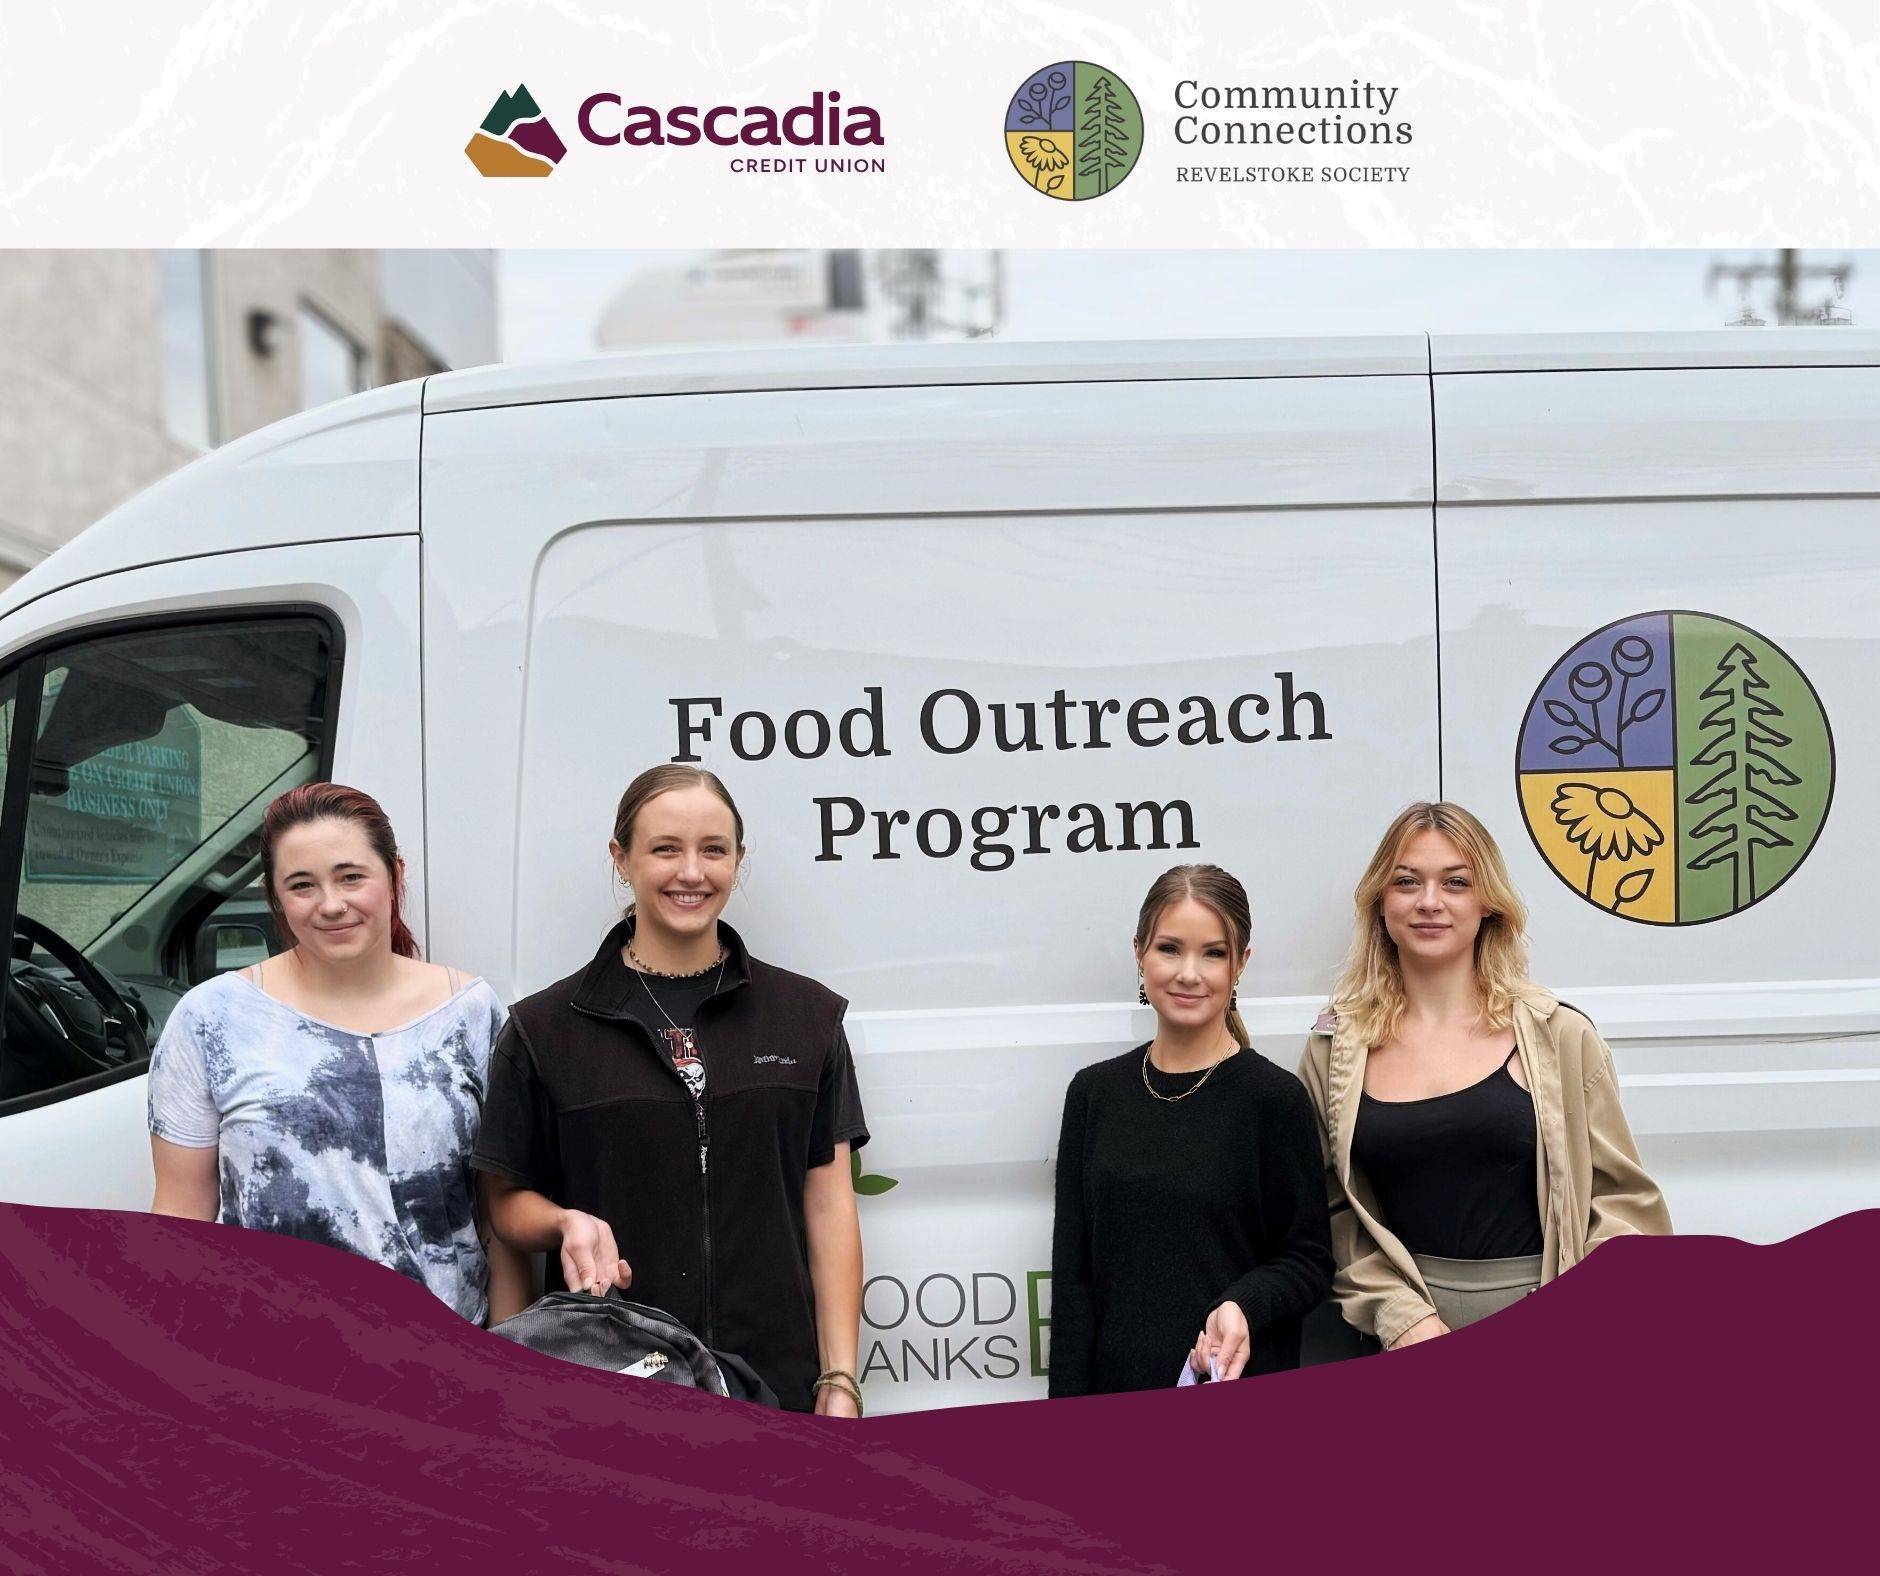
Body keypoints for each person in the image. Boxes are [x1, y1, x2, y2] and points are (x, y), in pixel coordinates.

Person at [473, 765, 869, 1416]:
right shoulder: (544, 1030)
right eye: (665, 849)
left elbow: (828, 1208)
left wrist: (840, 1381)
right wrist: (564, 1220)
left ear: (739, 862)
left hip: (779, 1389)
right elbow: (505, 1207)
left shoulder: (806, 1016)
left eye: (714, 850)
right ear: (621, 859)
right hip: (612, 1392)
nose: (692, 872)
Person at [148, 782, 529, 1327]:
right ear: (275, 896)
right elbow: (181, 1221)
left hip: (449, 1357)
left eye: (351, 876)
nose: (331, 904)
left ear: (395, 876)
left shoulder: (470, 1010)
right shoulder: (211, 1018)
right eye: (302, 885)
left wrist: (508, 1358)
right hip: (271, 1358)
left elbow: (498, 1217)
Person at [1300, 801, 1671, 1351]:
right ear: (1381, 901)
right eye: (1407, 882)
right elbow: (1329, 1211)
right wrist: (1403, 1320)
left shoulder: (1558, 1035)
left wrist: (1582, 1317)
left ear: (1488, 904)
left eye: (1456, 882)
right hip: (1399, 1337)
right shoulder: (1334, 1050)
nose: (1430, 902)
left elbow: (1625, 1206)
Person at [1048, 865, 1332, 1396]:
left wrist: (1243, 1304)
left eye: (1214, 953)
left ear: (1241, 962)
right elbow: (1074, 1286)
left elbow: (1308, 1261)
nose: (1189, 973)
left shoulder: (1273, 1100)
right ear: (1139, 953)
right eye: (1170, 948)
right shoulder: (1094, 1095)